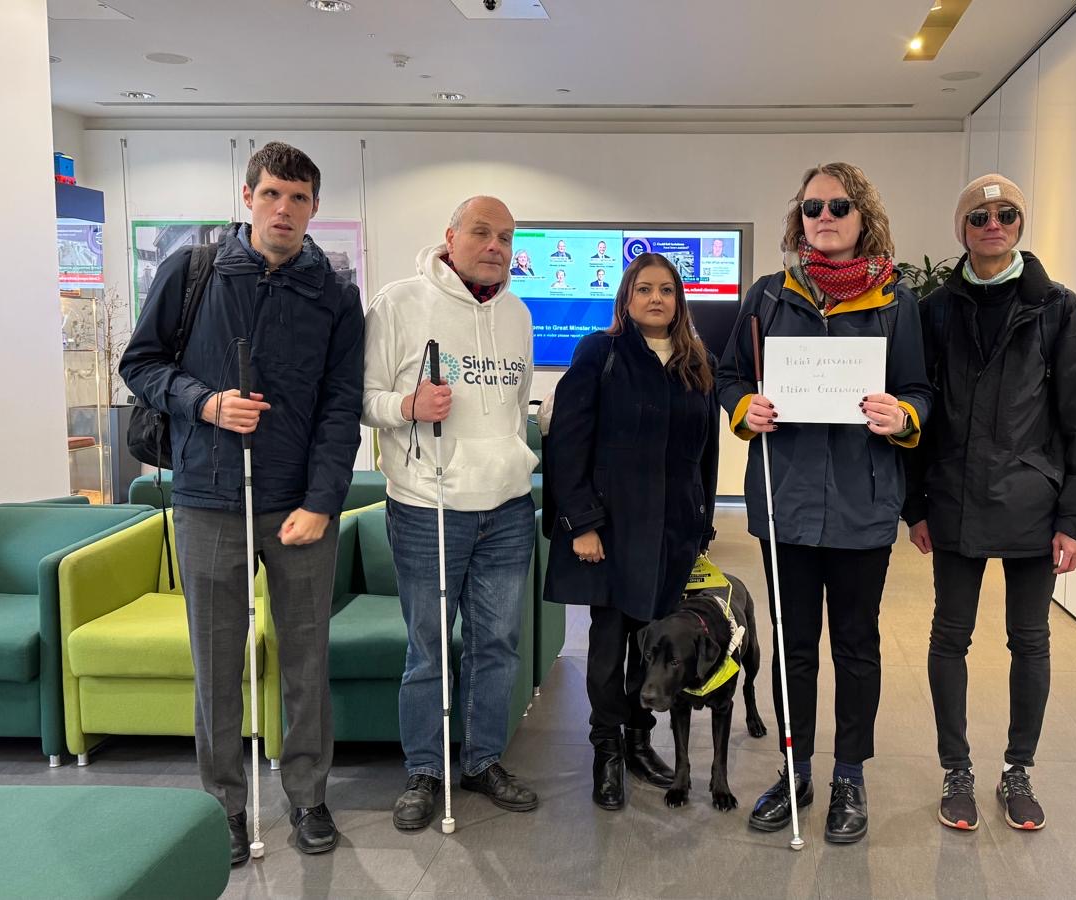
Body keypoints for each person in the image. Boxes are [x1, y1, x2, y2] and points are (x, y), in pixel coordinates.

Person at [120, 142, 364, 863]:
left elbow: (340, 407)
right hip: (207, 499)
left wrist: (323, 501)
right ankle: (223, 805)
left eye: (298, 198)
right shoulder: (192, 272)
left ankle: (308, 796)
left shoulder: (336, 295)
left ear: (314, 208)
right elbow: (141, 364)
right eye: (272, 194)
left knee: (306, 662)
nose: (284, 209)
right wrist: (205, 403)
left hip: (299, 509)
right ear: (248, 197)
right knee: (216, 664)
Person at [715, 162, 930, 844]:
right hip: (787, 504)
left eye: (839, 206)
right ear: (799, 218)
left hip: (865, 504)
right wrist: (746, 408)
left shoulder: (896, 302)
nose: (825, 217)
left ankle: (849, 777)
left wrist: (903, 415)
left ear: (863, 216)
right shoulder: (768, 296)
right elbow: (729, 375)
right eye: (812, 208)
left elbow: (921, 390)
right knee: (795, 649)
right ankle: (796, 769)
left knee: (857, 647)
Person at [905, 174, 1076, 834]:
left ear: (1021, 224)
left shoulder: (1059, 309)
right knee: (949, 636)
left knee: (1030, 640)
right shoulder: (935, 311)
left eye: (1006, 214)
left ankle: (1017, 770)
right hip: (955, 501)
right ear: (961, 229)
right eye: (979, 216)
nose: (993, 225)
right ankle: (956, 770)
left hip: (1034, 505)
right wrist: (915, 505)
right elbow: (916, 409)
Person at [362, 195, 540, 832]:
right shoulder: (399, 303)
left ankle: (483, 760)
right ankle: (424, 770)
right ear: (451, 236)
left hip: (508, 509)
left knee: (498, 645)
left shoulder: (518, 314)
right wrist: (408, 406)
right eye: (482, 232)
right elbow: (363, 398)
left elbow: (518, 406)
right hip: (427, 506)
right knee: (428, 646)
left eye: (506, 237)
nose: (495, 246)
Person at [542, 253, 719, 810]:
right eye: (644, 289)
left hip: (672, 533)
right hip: (611, 531)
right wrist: (582, 523)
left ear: (679, 300)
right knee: (607, 647)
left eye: (666, 289)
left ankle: (640, 740)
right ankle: (607, 749)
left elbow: (706, 454)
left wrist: (702, 523)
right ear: (626, 297)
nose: (656, 298)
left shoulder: (697, 363)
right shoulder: (601, 353)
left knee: (655, 643)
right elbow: (568, 441)